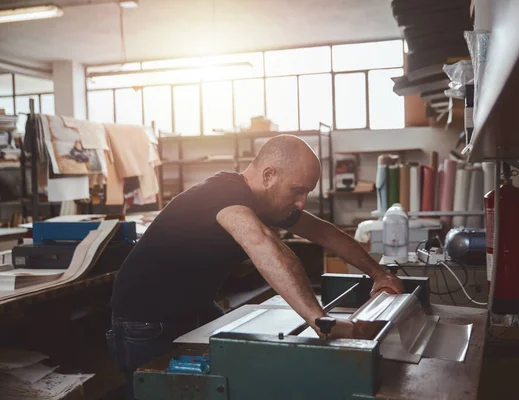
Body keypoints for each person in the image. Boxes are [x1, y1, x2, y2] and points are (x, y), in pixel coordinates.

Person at [107, 134, 404, 399]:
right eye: (297, 190)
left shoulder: (268, 202)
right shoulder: (222, 194)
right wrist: (321, 322)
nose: (302, 203)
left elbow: (324, 233)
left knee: (232, 370)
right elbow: (263, 244)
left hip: (193, 306)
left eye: (306, 193)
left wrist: (379, 273)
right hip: (145, 319)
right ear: (269, 175)